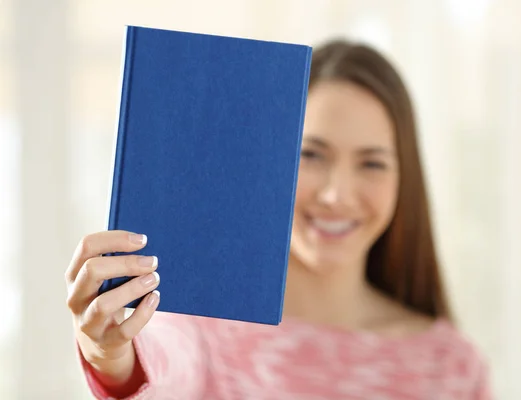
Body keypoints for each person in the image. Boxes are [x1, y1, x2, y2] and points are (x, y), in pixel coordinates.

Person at [65, 39, 492, 399]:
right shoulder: (205, 330)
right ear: (271, 162)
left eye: (372, 163)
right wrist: (109, 354)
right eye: (311, 155)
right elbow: (156, 367)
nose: (336, 195)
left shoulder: (453, 367)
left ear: (406, 178)